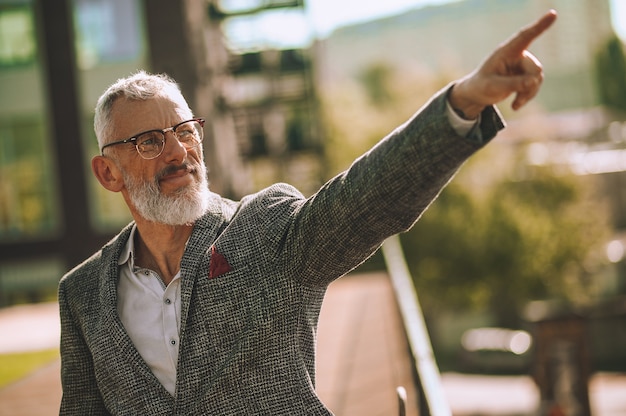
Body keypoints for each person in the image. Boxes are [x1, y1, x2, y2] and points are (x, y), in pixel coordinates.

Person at [58, 10, 557, 415]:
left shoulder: (265, 228)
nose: (177, 152)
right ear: (108, 173)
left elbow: (367, 200)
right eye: (149, 141)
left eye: (185, 131)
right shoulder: (82, 295)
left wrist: (463, 103)